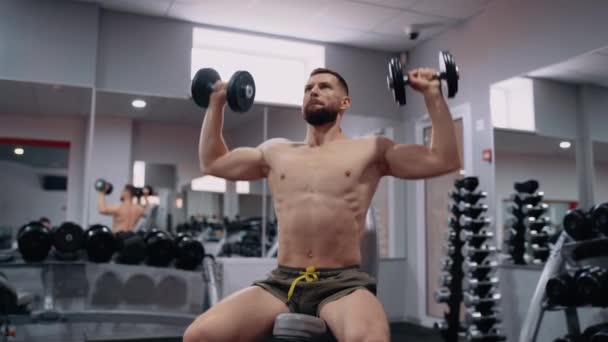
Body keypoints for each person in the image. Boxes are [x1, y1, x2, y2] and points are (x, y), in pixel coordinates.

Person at [183, 67, 461, 342]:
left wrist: (433, 94)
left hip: (342, 284)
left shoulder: (371, 149)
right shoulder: (275, 151)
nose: (313, 90)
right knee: (199, 335)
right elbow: (213, 162)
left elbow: (442, 159)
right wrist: (216, 102)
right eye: (308, 88)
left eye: (324, 86)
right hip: (283, 282)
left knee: (370, 339)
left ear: (345, 103)